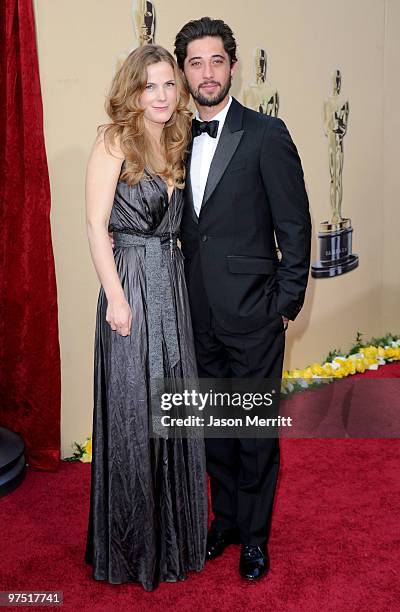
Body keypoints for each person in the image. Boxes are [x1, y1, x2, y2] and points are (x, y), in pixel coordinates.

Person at [174, 17, 312, 581]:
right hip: (194, 312)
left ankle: (255, 538)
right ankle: (225, 520)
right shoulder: (174, 137)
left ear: (232, 65)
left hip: (255, 312)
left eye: (215, 60)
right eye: (195, 62)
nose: (206, 72)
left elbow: (296, 224)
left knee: (254, 433)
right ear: (184, 72)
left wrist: (285, 302)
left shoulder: (266, 134)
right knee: (213, 429)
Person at [84, 44, 207, 592]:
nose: (161, 95)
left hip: (170, 285)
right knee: (135, 413)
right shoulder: (115, 139)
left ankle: (175, 540)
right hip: (130, 284)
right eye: (149, 86)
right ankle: (133, 547)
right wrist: (115, 295)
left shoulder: (176, 139)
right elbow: (94, 224)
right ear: (133, 91)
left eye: (168, 85)